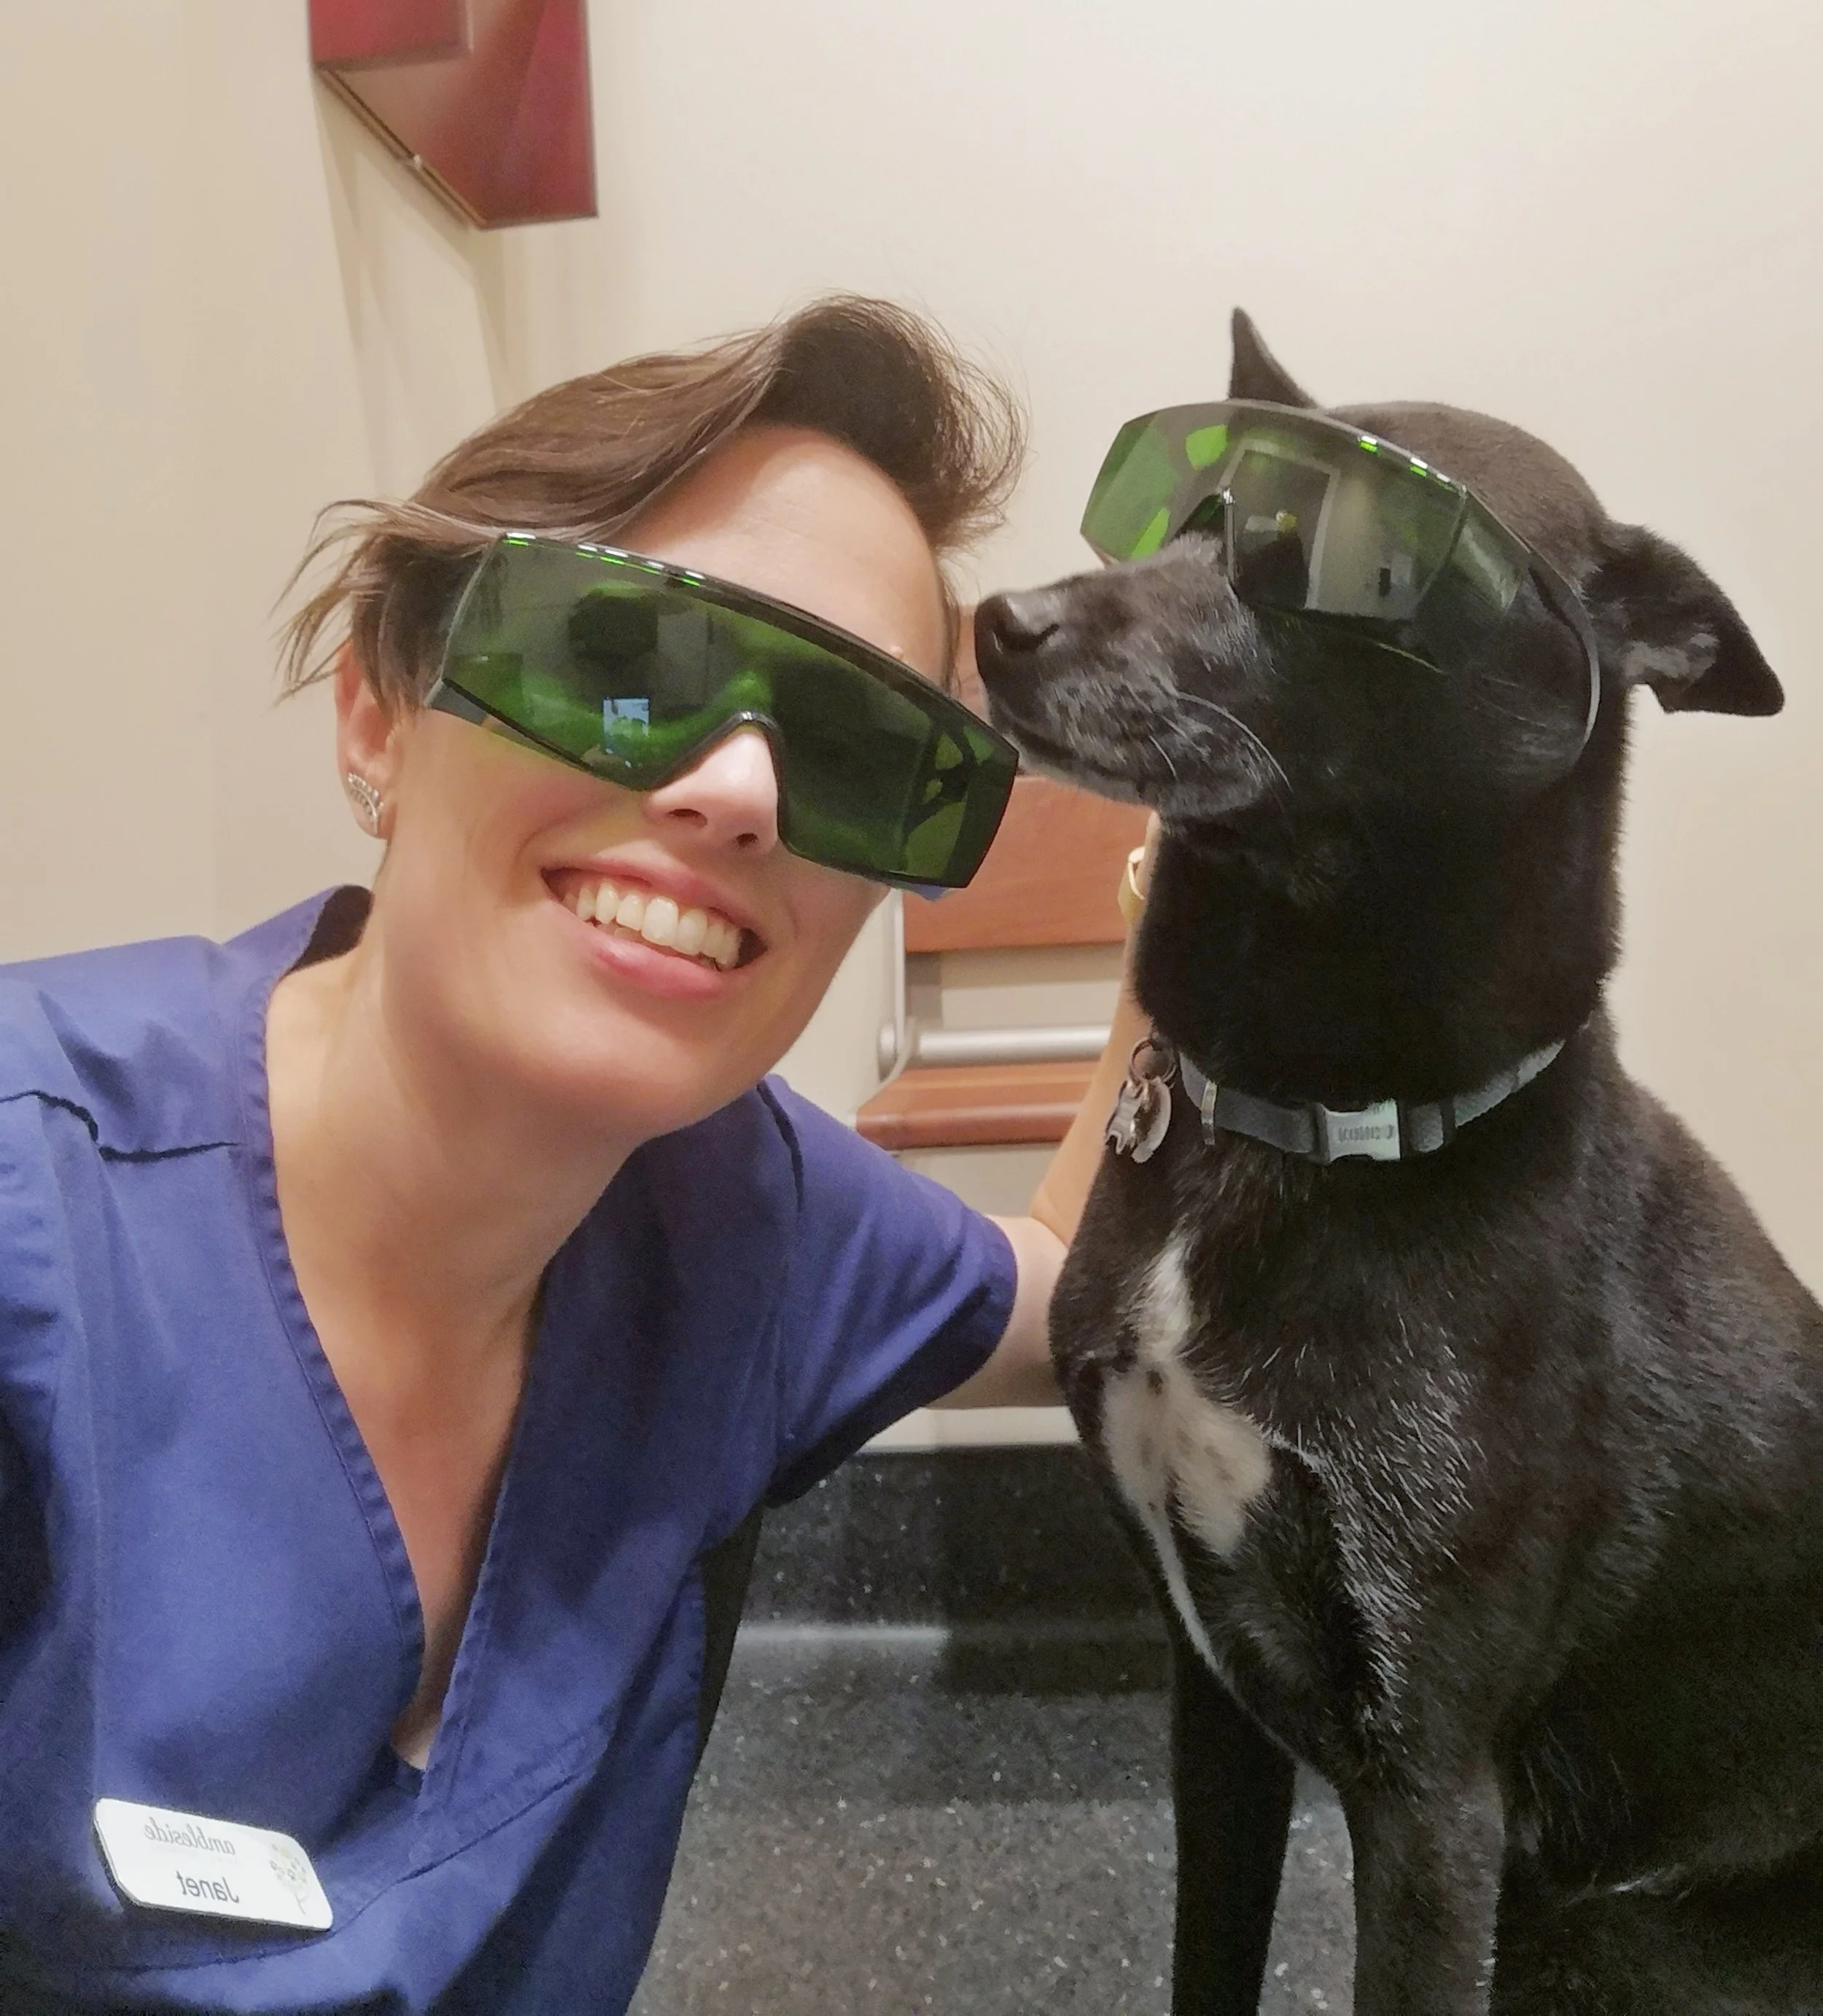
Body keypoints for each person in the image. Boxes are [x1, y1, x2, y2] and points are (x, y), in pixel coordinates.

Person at [0, 297, 1150, 2014]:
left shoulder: (745, 1217)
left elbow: (1072, 1282)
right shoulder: (43, 1224)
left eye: (852, 752)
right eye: (627, 660)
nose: (743, 785)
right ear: (381, 712)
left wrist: (1190, 928)